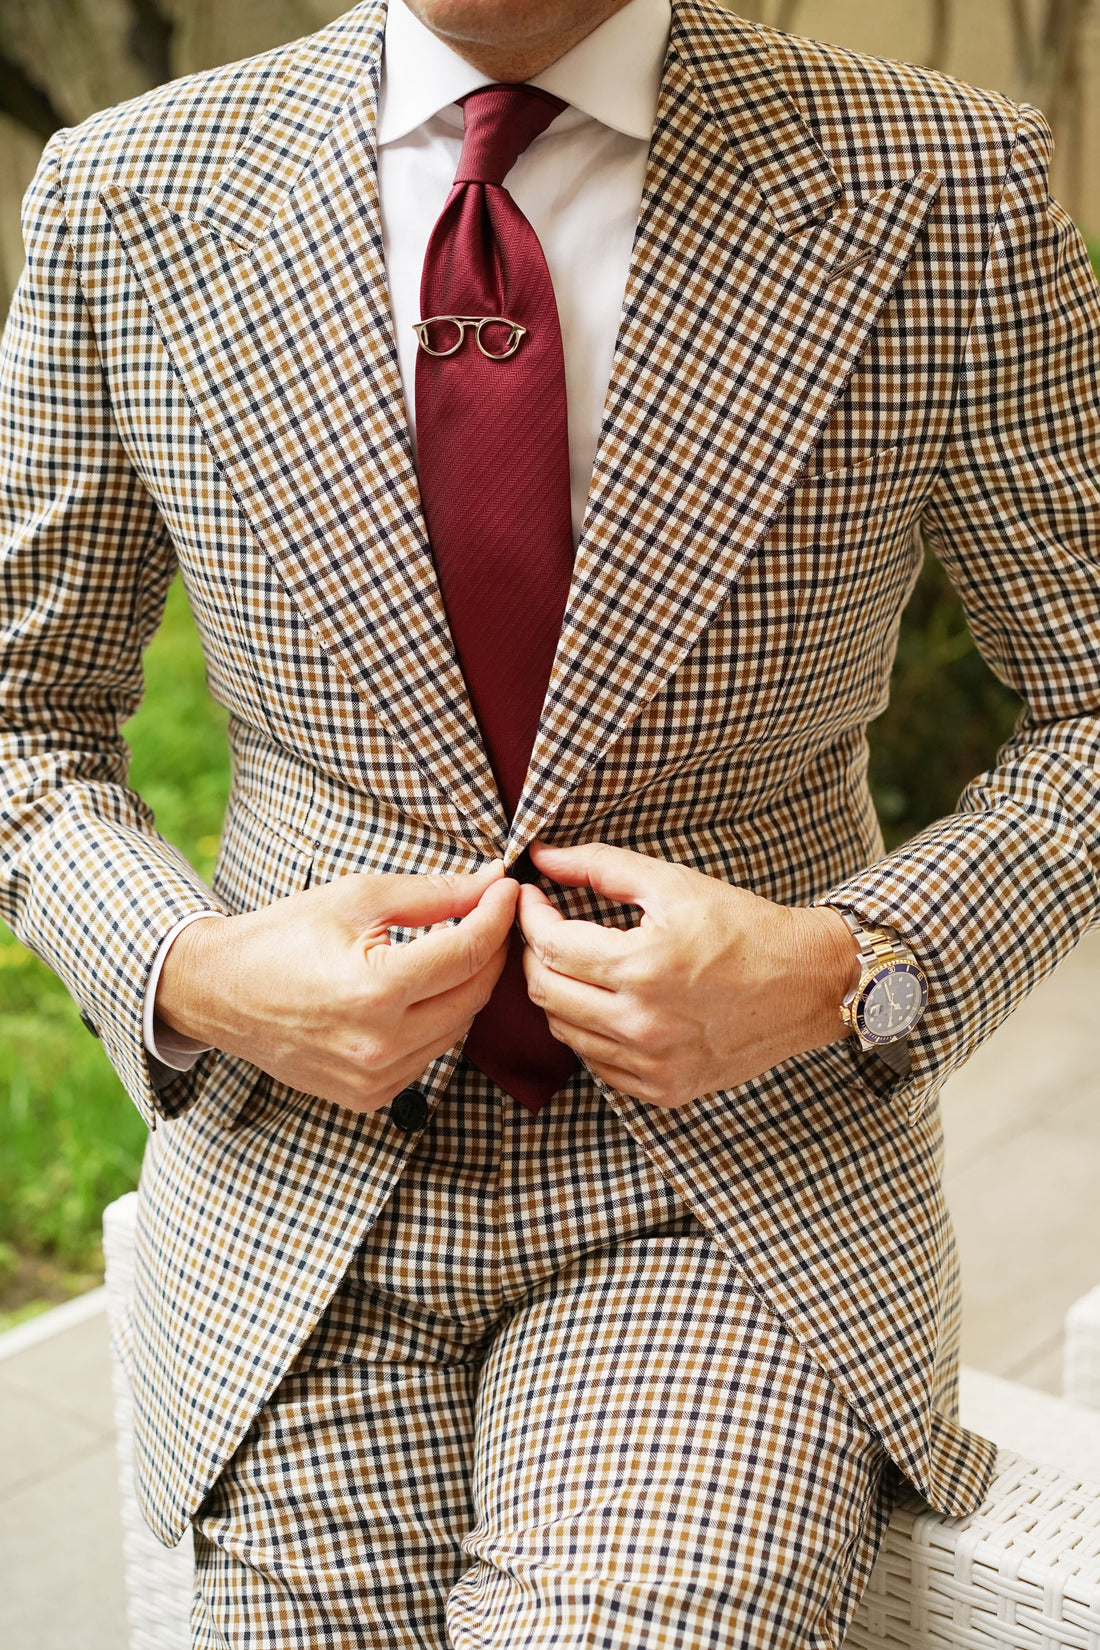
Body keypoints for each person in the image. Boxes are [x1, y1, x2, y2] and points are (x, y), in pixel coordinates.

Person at [2, 0, 1098, 1641]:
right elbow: (21, 713)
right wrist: (192, 972)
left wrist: (847, 968)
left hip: (732, 1187)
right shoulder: (126, 192)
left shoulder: (946, 182)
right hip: (297, 1184)